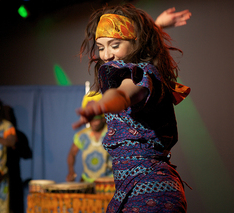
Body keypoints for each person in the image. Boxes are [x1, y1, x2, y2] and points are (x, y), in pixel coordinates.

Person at [73, 3, 191, 213]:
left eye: (114, 45)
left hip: (151, 192)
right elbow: (136, 42)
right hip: (134, 189)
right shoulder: (131, 67)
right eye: (101, 47)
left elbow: (124, 93)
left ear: (136, 43)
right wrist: (157, 25)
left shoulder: (142, 75)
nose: (106, 55)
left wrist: (101, 105)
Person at [66, 92, 112, 183]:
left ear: (103, 118)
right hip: (87, 181)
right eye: (92, 119)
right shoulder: (82, 135)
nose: (95, 122)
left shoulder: (112, 133)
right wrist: (71, 172)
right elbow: (72, 154)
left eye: (97, 118)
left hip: (108, 182)